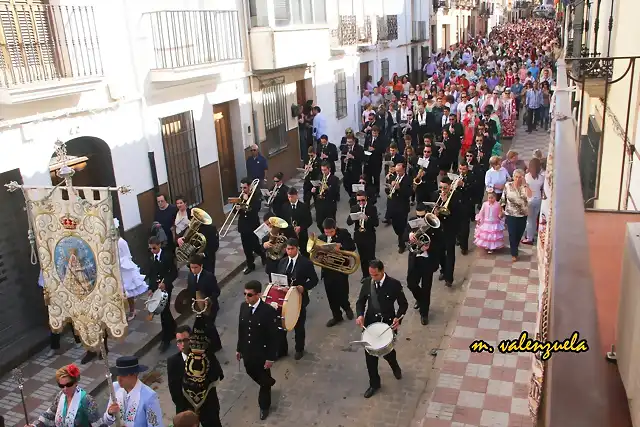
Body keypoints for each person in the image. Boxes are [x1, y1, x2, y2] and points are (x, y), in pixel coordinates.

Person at [355, 260, 408, 398]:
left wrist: (398, 318)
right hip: (371, 324)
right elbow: (360, 302)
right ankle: (374, 384)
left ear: (382, 270)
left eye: (376, 275)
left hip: (387, 324)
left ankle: (394, 366)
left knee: (387, 352)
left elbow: (403, 304)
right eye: (371, 275)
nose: (373, 277)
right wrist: (360, 315)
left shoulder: (394, 284)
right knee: (370, 355)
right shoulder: (367, 283)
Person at [236, 280, 278, 421]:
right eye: (244, 294)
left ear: (258, 295)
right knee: (250, 371)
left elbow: (273, 337)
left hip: (262, 353)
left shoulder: (268, 312)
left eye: (249, 295)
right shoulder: (243, 307)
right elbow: (241, 329)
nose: (246, 297)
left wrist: (270, 358)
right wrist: (239, 348)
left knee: (263, 379)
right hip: (248, 351)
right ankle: (268, 382)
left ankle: (264, 406)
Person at [167, 326, 223, 427]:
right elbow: (174, 390)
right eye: (179, 341)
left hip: (208, 408)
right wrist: (187, 412)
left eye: (185, 340)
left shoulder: (206, 355)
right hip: (186, 412)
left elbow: (218, 374)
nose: (183, 344)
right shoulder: (173, 362)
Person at [276, 238, 318, 359]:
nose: (289, 251)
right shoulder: (282, 262)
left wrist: (304, 287)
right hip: (283, 298)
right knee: (281, 325)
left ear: (297, 248)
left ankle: (299, 349)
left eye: (291, 249)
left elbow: (314, 280)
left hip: (298, 299)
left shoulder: (306, 263)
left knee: (299, 326)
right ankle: (282, 350)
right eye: (287, 249)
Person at [29, 364, 108, 427]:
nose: (65, 389)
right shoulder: (60, 395)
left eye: (69, 384)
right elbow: (49, 415)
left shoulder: (86, 400)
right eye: (61, 386)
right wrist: (35, 425)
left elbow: (98, 424)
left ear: (76, 382)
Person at [404, 203, 442, 325]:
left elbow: (441, 245)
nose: (420, 219)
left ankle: (424, 314)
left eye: (422, 216)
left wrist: (429, 247)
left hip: (427, 261)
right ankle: (420, 300)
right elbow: (404, 235)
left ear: (426, 213)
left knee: (426, 288)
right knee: (411, 284)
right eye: (418, 216)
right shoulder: (412, 221)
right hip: (415, 259)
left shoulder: (434, 225)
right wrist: (409, 235)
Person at [102, 356, 164, 427]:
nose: (119, 379)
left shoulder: (149, 397)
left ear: (134, 374)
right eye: (118, 374)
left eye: (124, 375)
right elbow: (106, 421)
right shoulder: (115, 387)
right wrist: (110, 413)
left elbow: (155, 425)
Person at [318, 218, 356, 326]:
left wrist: (341, 247)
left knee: (343, 292)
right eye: (326, 232)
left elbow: (352, 247)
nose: (329, 234)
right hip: (328, 271)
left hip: (340, 269)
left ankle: (347, 308)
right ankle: (337, 316)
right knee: (331, 295)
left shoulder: (343, 233)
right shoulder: (321, 238)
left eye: (331, 232)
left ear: (335, 228)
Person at [147, 236, 178, 351]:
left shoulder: (167, 256)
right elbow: (152, 274)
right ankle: (174, 328)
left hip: (166, 288)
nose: (152, 251)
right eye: (150, 249)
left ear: (159, 245)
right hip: (157, 289)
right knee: (165, 311)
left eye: (154, 248)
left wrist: (166, 282)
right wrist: (151, 288)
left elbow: (174, 272)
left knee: (163, 312)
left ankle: (165, 339)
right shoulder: (151, 258)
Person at [187, 254, 222, 352]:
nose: (193, 270)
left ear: (201, 266)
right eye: (191, 267)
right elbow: (190, 290)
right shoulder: (190, 276)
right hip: (198, 306)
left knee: (209, 325)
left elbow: (217, 292)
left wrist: (209, 299)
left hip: (210, 307)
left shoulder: (209, 276)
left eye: (195, 267)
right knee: (205, 325)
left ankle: (216, 345)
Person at [115, 219, 148, 321]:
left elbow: (127, 255)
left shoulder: (121, 242)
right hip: (117, 268)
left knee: (128, 291)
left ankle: (132, 310)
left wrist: (121, 262)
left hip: (125, 269)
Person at [432, 177, 463, 287]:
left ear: (450, 187)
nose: (443, 190)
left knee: (450, 253)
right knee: (440, 253)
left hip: (450, 228)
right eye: (441, 187)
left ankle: (449, 278)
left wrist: (446, 203)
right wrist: (435, 213)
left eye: (445, 188)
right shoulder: (436, 195)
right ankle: (443, 270)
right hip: (438, 229)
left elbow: (458, 214)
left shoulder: (457, 195)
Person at [346, 191, 379, 279]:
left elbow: (376, 223)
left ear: (366, 198)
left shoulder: (372, 208)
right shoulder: (354, 208)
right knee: (363, 257)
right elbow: (348, 222)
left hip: (370, 235)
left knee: (371, 257)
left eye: (363, 200)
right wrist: (353, 218)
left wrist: (367, 219)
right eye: (359, 201)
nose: (361, 203)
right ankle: (365, 275)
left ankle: (373, 275)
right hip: (359, 236)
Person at [237, 177, 266, 275]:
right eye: (241, 188)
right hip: (243, 226)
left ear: (250, 187)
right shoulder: (240, 196)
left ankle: (263, 254)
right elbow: (235, 211)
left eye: (244, 188)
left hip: (252, 225)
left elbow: (255, 210)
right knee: (246, 248)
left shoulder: (256, 195)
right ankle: (250, 265)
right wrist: (238, 207)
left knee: (255, 245)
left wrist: (245, 204)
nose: (243, 190)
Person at [502, 169, 532, 261]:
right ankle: (514, 253)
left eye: (520, 177)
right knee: (512, 233)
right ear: (513, 177)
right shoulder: (508, 185)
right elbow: (503, 198)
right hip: (510, 213)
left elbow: (530, 196)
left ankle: (515, 245)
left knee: (519, 233)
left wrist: (525, 185)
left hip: (523, 214)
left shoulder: (525, 187)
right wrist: (501, 209)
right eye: (516, 177)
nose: (518, 179)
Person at [385, 160, 412, 253]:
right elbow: (387, 190)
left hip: (402, 207)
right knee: (396, 226)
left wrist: (399, 188)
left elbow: (409, 193)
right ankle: (402, 238)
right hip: (393, 206)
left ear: (404, 170)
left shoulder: (408, 179)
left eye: (399, 171)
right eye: (396, 171)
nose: (398, 173)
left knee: (402, 226)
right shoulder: (393, 177)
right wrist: (389, 186)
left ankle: (402, 244)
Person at [281, 187, 312, 257]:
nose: (290, 199)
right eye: (289, 197)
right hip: (290, 235)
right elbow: (283, 221)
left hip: (302, 235)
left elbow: (309, 221)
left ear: (297, 195)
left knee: (304, 252)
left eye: (292, 197)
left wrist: (300, 227)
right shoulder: (285, 206)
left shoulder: (304, 207)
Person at [474, 188, 505, 254]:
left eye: (492, 198)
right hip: (486, 222)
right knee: (486, 235)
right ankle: (487, 245)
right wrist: (479, 219)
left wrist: (501, 215)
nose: (490, 199)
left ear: (495, 197)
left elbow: (500, 213)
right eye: (489, 198)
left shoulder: (497, 204)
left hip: (494, 222)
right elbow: (481, 212)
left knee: (493, 236)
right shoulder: (485, 204)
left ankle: (492, 247)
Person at [312, 162, 340, 230]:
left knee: (330, 225)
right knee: (319, 223)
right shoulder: (320, 177)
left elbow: (336, 193)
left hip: (329, 205)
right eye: (322, 170)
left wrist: (328, 188)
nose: (323, 172)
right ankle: (325, 234)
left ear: (329, 169)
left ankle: (330, 237)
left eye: (325, 170)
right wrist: (314, 190)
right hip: (320, 205)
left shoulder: (334, 179)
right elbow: (317, 190)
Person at [523, 158, 545, 244]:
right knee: (534, 219)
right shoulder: (542, 178)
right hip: (538, 199)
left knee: (529, 220)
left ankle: (529, 237)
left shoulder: (527, 176)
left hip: (529, 199)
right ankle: (531, 234)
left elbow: (524, 188)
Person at [341, 133, 364, 198]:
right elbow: (342, 157)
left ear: (354, 141)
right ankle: (351, 196)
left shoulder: (359, 148)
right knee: (347, 185)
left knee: (356, 186)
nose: (349, 143)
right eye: (348, 142)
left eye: (350, 142)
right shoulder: (345, 147)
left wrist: (353, 157)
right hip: (347, 171)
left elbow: (362, 159)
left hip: (356, 170)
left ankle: (355, 197)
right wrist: (345, 160)